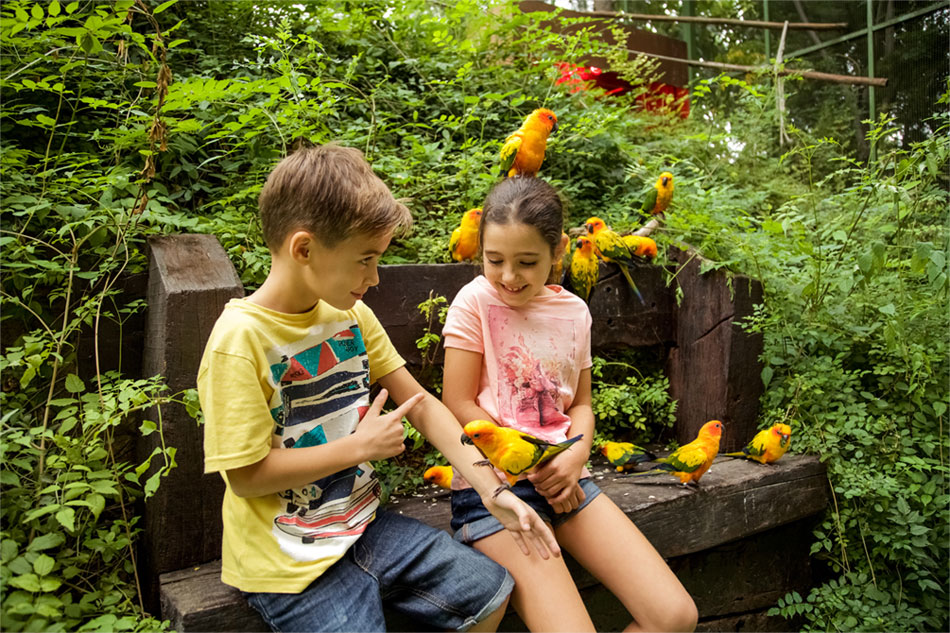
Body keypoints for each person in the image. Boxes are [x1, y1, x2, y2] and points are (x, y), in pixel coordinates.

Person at [197, 144, 560, 633]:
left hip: (363, 527)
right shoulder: (239, 342)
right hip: (286, 563)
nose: (374, 277)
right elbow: (245, 476)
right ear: (303, 249)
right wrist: (357, 448)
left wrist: (493, 491)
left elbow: (423, 405)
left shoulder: (352, 316)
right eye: (365, 259)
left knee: (490, 591)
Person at [441, 177, 699, 632]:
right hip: (493, 492)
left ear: (558, 249)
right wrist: (529, 463)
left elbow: (580, 404)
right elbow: (457, 401)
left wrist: (576, 454)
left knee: (675, 617)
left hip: (566, 479)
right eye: (494, 260)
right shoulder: (475, 301)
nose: (508, 276)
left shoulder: (574, 312)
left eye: (526, 262)